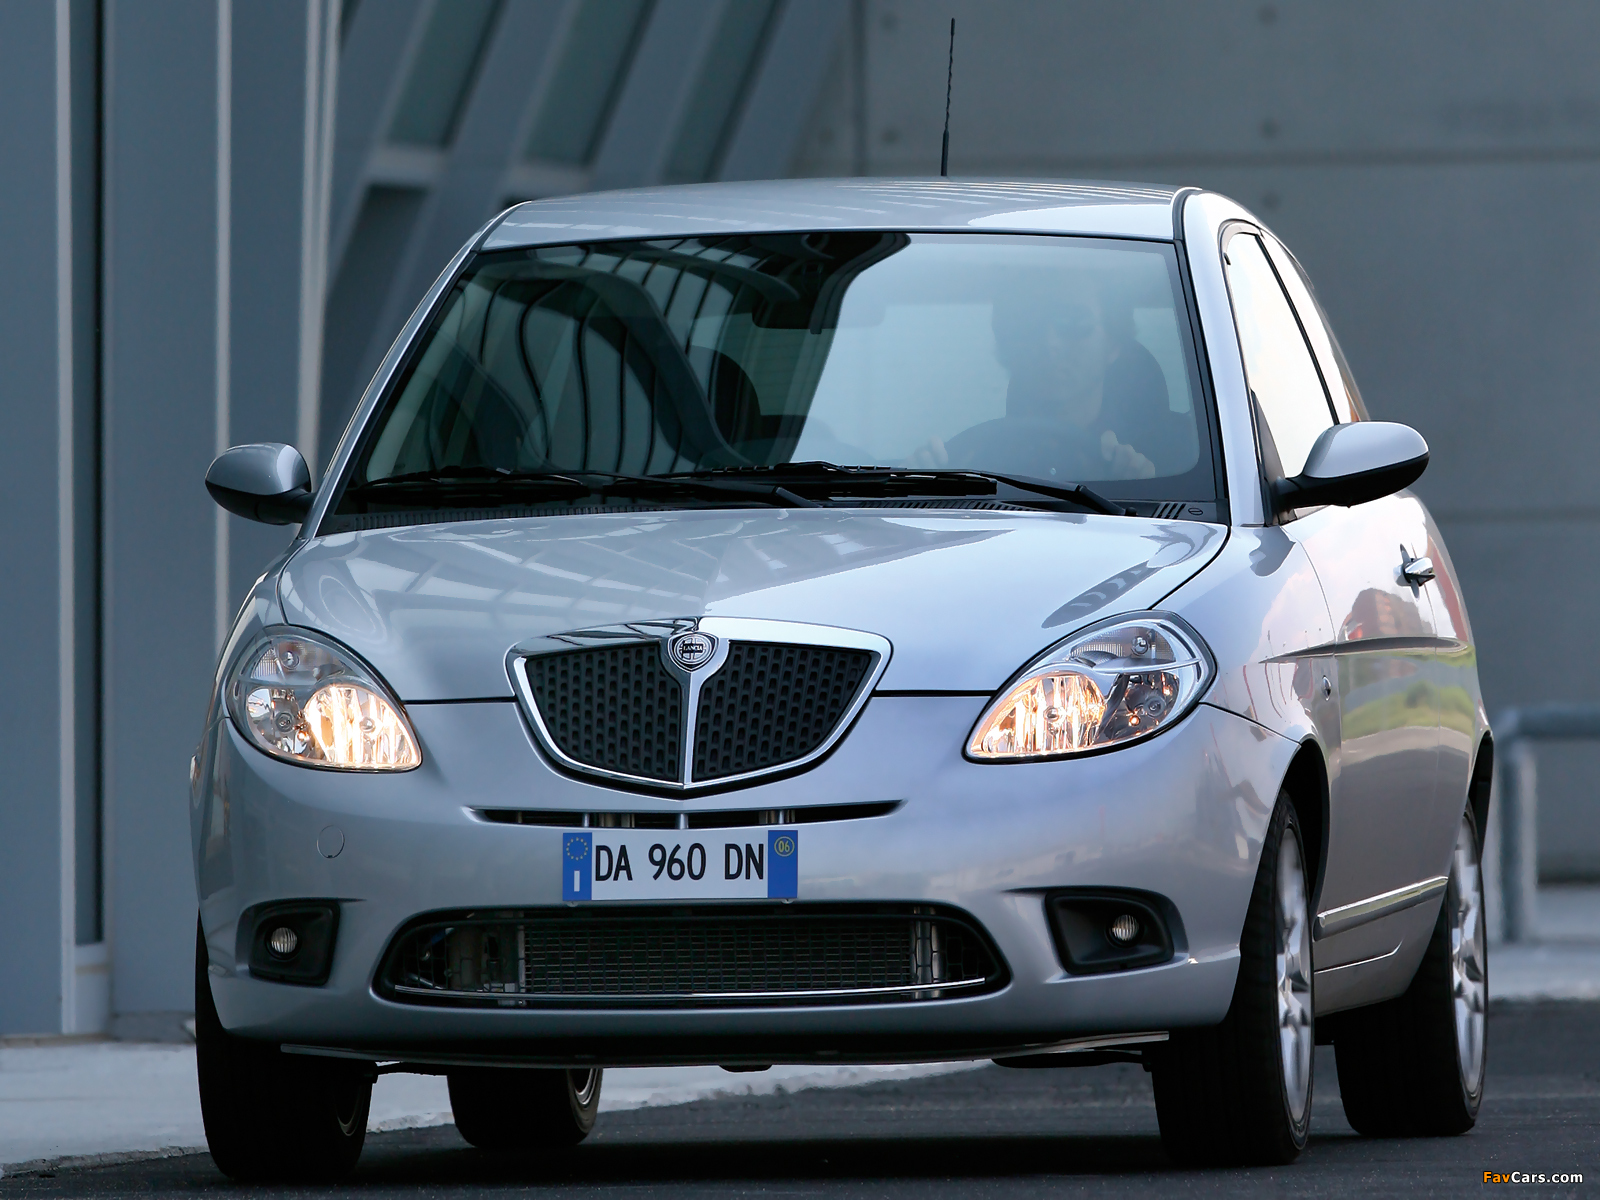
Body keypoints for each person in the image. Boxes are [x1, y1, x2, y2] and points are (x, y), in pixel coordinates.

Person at [901, 274, 1185, 481]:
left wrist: (1142, 491)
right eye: (1031, 324)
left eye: (1073, 323)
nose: (1050, 342)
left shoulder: (1177, 462)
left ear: (1113, 343)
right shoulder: (966, 463)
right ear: (1008, 343)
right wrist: (921, 487)